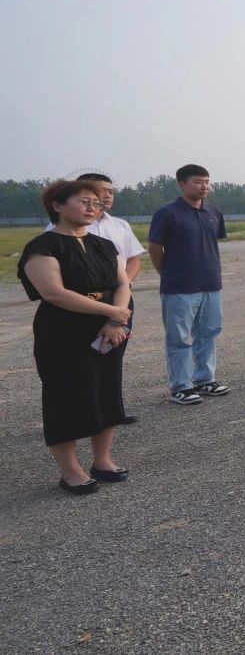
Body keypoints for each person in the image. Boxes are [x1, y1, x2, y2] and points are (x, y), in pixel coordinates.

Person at [19, 180, 133, 495]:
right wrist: (112, 311)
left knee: (107, 390)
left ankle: (102, 460)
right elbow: (53, 293)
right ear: (57, 205)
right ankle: (70, 471)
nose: (92, 207)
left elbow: (122, 283)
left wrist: (115, 319)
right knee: (64, 396)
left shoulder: (105, 245)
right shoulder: (43, 246)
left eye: (96, 202)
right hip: (63, 331)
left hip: (108, 328)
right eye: (84, 201)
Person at [46, 172, 145, 423]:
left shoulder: (120, 225)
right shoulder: (56, 233)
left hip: (119, 300)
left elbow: (133, 259)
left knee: (112, 357)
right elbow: (54, 287)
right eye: (100, 191)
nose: (106, 196)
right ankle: (83, 417)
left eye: (110, 192)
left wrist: (123, 288)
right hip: (82, 306)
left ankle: (112, 412)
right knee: (81, 365)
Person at [148, 164, 230, 405]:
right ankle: (181, 387)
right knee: (179, 338)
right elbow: (155, 248)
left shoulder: (213, 212)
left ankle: (204, 379)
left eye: (207, 182)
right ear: (181, 184)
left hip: (211, 285)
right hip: (179, 288)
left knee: (208, 334)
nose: (204, 186)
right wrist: (167, 273)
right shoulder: (168, 213)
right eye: (197, 181)